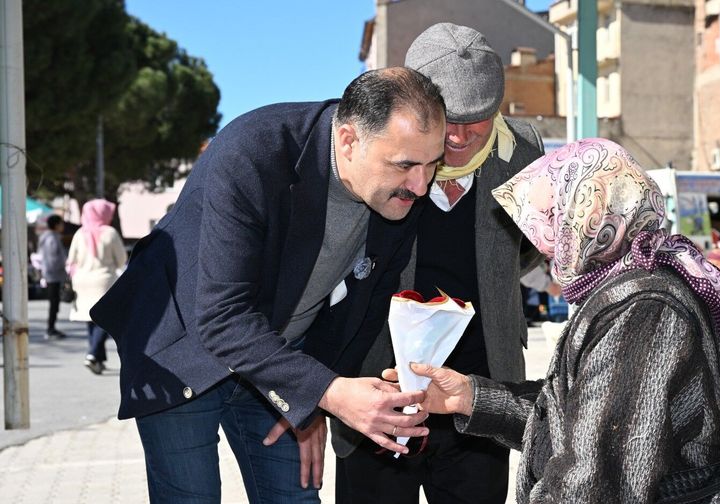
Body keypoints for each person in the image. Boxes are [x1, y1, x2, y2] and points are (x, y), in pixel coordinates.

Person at [89, 67, 445, 503]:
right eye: (406, 165)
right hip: (184, 347)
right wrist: (328, 392)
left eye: (432, 164)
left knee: (294, 497)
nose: (421, 185)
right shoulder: (253, 151)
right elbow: (222, 319)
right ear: (350, 140)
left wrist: (311, 401)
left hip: (278, 353)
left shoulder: (399, 193)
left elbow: (363, 309)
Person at [396, 139, 720, 503]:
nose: (544, 244)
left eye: (552, 222)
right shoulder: (630, 286)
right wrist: (468, 396)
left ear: (587, 220)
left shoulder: (644, 309)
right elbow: (575, 419)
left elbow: (595, 482)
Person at [334, 23, 545, 504]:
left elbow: (525, 250)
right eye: (449, 118)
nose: (461, 136)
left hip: (480, 399)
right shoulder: (379, 149)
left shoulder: (524, 154)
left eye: (480, 120)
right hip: (381, 394)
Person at [67, 200, 127, 374]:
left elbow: (71, 259)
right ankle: (93, 354)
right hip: (103, 280)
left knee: (90, 318)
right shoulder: (110, 233)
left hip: (81, 281)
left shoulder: (80, 233)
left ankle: (98, 359)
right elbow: (121, 259)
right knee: (104, 319)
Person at [38, 214, 68, 339]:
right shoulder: (52, 238)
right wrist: (63, 268)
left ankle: (51, 328)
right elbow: (53, 259)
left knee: (54, 302)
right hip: (53, 275)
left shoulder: (49, 237)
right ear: (56, 225)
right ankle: (50, 329)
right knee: (54, 303)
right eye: (61, 223)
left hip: (51, 274)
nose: (63, 226)